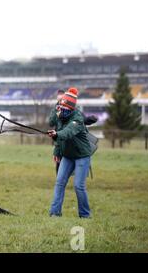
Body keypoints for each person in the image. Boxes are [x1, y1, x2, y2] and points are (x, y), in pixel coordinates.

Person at [47, 87, 93, 218]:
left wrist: (57, 134)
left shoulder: (77, 119)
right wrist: (57, 151)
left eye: (64, 109)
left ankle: (85, 215)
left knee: (78, 186)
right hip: (67, 155)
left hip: (81, 156)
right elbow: (51, 122)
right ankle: (55, 213)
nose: (61, 112)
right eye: (60, 108)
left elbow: (67, 133)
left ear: (71, 109)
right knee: (59, 182)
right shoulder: (59, 113)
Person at [49, 90, 98, 175]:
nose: (60, 97)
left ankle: (76, 178)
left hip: (72, 141)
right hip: (59, 140)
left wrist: (90, 120)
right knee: (59, 163)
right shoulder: (57, 109)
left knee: (76, 163)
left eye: (61, 95)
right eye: (59, 96)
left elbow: (81, 122)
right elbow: (51, 122)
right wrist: (56, 107)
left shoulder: (75, 111)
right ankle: (60, 180)